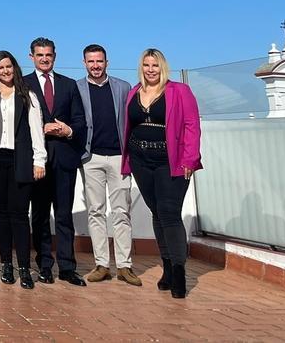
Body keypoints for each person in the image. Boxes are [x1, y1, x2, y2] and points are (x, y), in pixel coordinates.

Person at [122, 48, 202, 299]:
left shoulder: (179, 91)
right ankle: (166, 268)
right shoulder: (134, 92)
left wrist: (190, 158)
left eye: (155, 65)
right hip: (140, 160)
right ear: (141, 67)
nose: (151, 70)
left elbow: (191, 125)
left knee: (169, 213)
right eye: (146, 65)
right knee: (157, 212)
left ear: (163, 67)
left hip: (171, 160)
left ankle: (178, 272)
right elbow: (128, 125)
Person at [25, 37, 87, 286]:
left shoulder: (69, 85)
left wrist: (67, 130)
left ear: (55, 56)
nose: (44, 58)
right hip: (37, 160)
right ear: (31, 57)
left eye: (48, 54)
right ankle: (44, 265)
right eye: (39, 55)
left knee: (63, 214)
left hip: (63, 159)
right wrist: (42, 127)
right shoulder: (23, 84)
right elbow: (19, 124)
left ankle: (67, 267)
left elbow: (80, 121)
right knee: (39, 214)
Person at [75, 44, 137, 285]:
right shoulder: (77, 88)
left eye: (99, 61)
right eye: (90, 61)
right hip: (91, 158)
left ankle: (125, 266)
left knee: (122, 212)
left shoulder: (122, 87)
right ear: (84, 63)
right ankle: (102, 264)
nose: (95, 66)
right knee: (96, 211)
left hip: (119, 157)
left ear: (107, 62)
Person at [0, 50, 46, 290]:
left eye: (8, 66)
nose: (5, 71)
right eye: (0, 68)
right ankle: (6, 266)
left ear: (15, 67)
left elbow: (36, 130)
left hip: (21, 159)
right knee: (1, 214)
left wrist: (39, 160)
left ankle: (23, 267)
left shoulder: (27, 95)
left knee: (20, 216)